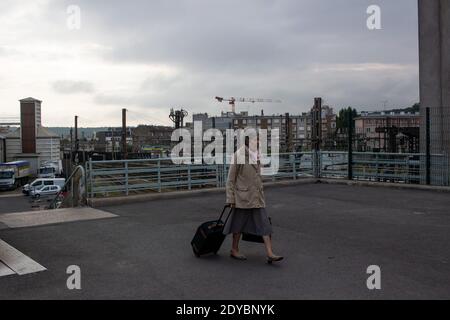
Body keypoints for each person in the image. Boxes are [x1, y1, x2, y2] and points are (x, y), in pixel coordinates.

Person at [223, 135, 283, 263]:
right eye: (256, 141)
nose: (258, 143)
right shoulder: (238, 155)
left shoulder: (256, 155)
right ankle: (234, 249)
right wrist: (230, 199)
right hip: (242, 197)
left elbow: (257, 175)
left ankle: (270, 253)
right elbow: (230, 179)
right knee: (238, 225)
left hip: (256, 197)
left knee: (264, 224)